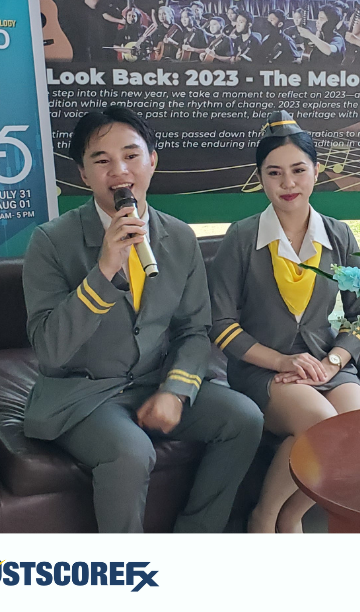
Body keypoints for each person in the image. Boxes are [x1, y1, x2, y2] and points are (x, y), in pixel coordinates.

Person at [22, 106, 263, 532]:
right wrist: (104, 270)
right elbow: (50, 350)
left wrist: (176, 390)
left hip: (152, 381)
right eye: (102, 160)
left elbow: (193, 330)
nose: (119, 171)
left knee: (244, 419)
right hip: (83, 394)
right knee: (132, 452)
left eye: (131, 155)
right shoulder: (50, 241)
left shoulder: (180, 237)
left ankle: (197, 538)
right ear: (83, 174)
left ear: (152, 161)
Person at [208, 111, 360, 533]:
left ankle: (291, 514)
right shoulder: (242, 237)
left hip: (325, 362)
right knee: (321, 424)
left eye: (298, 170)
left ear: (316, 171)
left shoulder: (339, 235)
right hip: (262, 368)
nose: (288, 183)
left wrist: (333, 362)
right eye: (274, 173)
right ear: (260, 179)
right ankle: (264, 515)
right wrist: (282, 362)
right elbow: (220, 323)